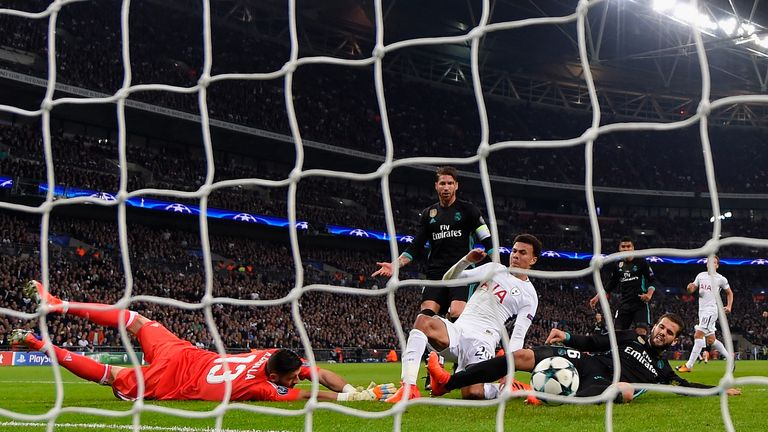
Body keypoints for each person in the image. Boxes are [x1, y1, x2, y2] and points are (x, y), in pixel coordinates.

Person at [15, 280, 394, 402]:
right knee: (111, 375)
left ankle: (58, 304)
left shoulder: (269, 358)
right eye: (293, 379)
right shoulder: (264, 388)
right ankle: (38, 343)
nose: (297, 380)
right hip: (175, 380)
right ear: (278, 378)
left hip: (184, 352)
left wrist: (350, 392)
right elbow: (317, 390)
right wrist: (354, 397)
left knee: (136, 318)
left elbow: (318, 374)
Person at [427, 313, 741, 403]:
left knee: (619, 391)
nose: (662, 333)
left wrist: (717, 389)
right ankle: (448, 383)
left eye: (669, 332)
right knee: (520, 355)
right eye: (661, 326)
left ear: (674, 340)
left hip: (607, 382)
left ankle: (543, 394)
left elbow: (684, 386)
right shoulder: (632, 335)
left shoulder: (662, 369)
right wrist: (567, 337)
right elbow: (596, 340)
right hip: (589, 361)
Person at [386, 234, 542, 402]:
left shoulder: (530, 296)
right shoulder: (494, 269)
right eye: (514, 251)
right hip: (459, 330)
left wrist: (506, 370)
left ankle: (513, 390)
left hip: (483, 340)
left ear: (533, 260)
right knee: (423, 321)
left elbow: (518, 336)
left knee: (472, 394)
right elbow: (448, 280)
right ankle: (409, 388)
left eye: (523, 253)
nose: (516, 255)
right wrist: (466, 260)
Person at [372, 166, 493, 321]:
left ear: (456, 185)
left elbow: (488, 241)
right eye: (442, 183)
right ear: (436, 186)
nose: (446, 187)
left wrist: (500, 268)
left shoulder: (469, 210)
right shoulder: (429, 214)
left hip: (462, 272)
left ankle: (451, 331)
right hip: (436, 274)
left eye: (450, 183)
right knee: (424, 318)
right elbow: (415, 247)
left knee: (457, 314)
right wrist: (395, 264)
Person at [589, 237, 657, 336]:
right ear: (619, 249)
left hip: (639, 303)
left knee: (641, 333)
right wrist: (596, 297)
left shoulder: (641, 262)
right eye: (623, 246)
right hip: (624, 304)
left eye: (628, 246)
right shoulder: (617, 265)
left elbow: (652, 280)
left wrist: (649, 294)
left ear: (633, 248)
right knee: (617, 335)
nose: (626, 249)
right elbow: (611, 285)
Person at [676, 256, 734, 373]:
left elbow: (729, 293)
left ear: (717, 266)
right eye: (709, 262)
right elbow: (692, 289)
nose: (711, 264)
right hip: (702, 311)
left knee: (698, 336)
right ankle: (730, 360)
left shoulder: (720, 279)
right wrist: (689, 288)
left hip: (711, 310)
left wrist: (729, 306)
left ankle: (689, 365)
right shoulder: (700, 276)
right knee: (711, 340)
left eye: (714, 263)